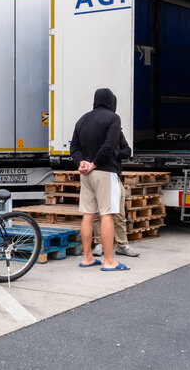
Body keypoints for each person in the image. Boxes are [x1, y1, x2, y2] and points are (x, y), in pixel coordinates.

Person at [70, 87, 136, 271]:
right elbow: (109, 145)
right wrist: (96, 163)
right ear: (111, 101)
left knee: (88, 214)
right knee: (108, 214)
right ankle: (109, 261)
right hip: (105, 171)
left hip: (86, 174)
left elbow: (74, 146)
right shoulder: (113, 118)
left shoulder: (82, 119)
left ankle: (87, 257)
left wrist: (82, 163)